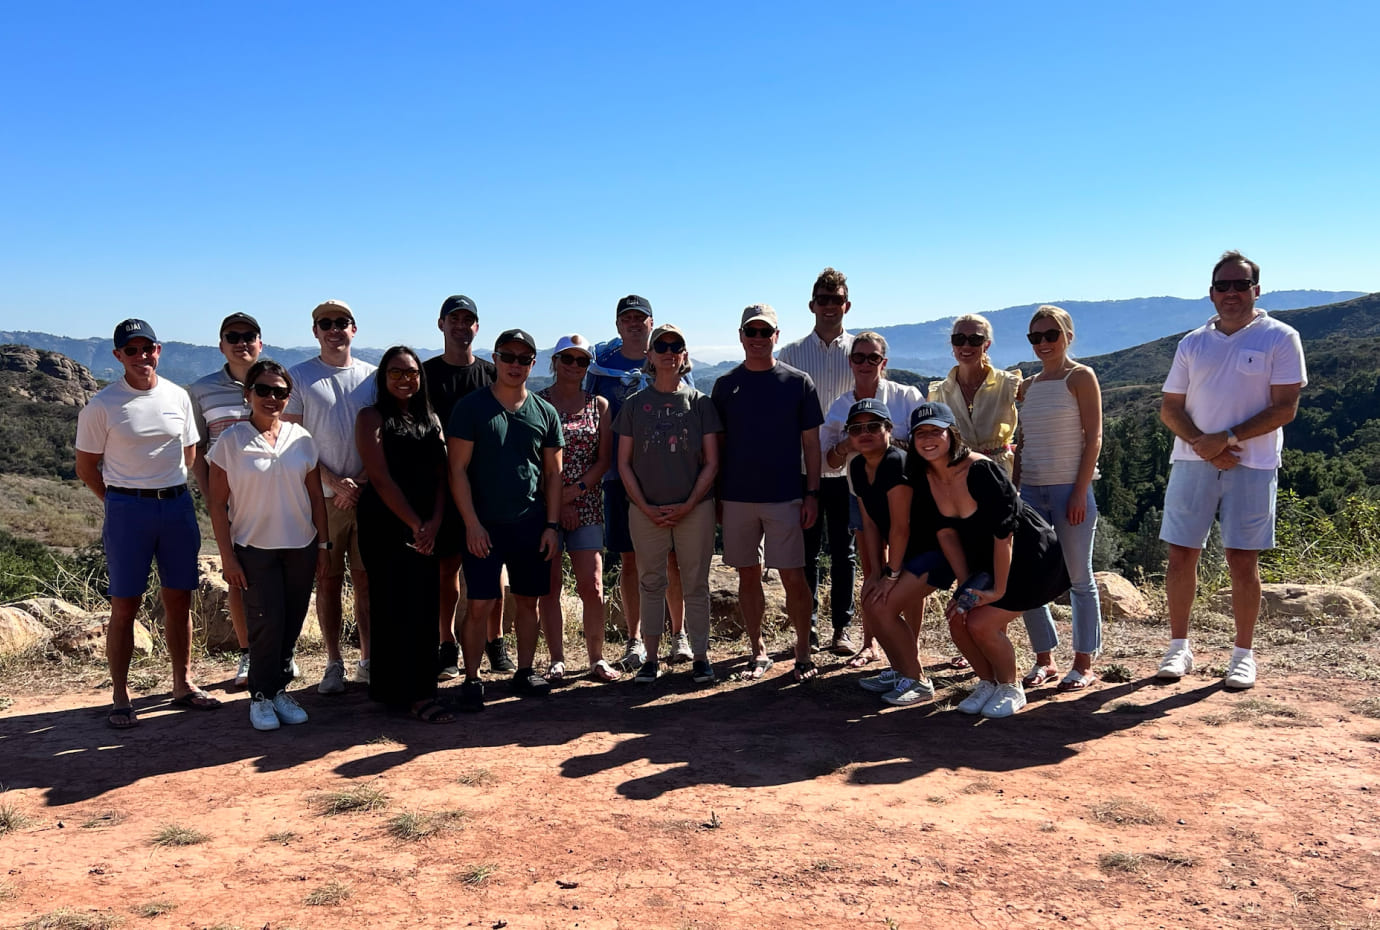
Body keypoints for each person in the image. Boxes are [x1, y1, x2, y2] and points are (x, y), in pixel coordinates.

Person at [1156, 251, 1306, 690]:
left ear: (1256, 290)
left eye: (1241, 285)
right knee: (1181, 554)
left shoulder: (1281, 337)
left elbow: (1286, 407)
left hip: (1253, 464)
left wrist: (1228, 439)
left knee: (1243, 560)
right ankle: (1178, 647)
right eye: (1223, 286)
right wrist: (1207, 447)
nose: (1231, 293)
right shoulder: (1192, 342)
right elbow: (1170, 408)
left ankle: (1243, 654)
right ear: (1211, 293)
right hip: (1192, 461)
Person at [74, 318, 221, 729]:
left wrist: (161, 489)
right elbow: (86, 467)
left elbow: (189, 452)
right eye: (132, 350)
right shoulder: (102, 405)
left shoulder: (177, 395)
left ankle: (183, 683)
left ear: (159, 350)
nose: (142, 357)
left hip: (175, 506)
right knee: (125, 605)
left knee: (180, 598)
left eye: (148, 348)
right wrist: (119, 500)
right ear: (118, 355)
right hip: (128, 510)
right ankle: (121, 695)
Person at [906, 402, 1071, 718]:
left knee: (981, 623)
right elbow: (946, 535)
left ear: (951, 434)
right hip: (987, 561)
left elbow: (1004, 535)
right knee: (957, 616)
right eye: (920, 433)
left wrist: (995, 591)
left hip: (1030, 560)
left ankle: (1011, 687)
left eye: (935, 431)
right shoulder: (923, 478)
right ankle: (989, 682)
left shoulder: (981, 471)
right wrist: (965, 584)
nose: (928, 439)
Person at [207, 359, 329, 731]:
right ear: (248, 395)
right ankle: (260, 697)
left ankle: (278, 691)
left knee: (291, 622)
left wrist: (323, 546)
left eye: (279, 392)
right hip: (254, 547)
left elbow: (316, 498)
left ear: (288, 397)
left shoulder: (301, 439)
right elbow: (216, 503)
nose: (271, 397)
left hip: (300, 546)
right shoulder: (230, 441)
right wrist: (227, 556)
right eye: (263, 390)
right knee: (265, 622)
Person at [447, 328, 564, 711]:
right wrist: (471, 523)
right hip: (484, 524)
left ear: (533, 363)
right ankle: (471, 677)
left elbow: (553, 476)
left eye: (523, 358)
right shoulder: (471, 408)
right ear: (494, 359)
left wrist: (552, 525)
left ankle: (526, 670)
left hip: (530, 523)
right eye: (507, 356)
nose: (515, 365)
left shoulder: (545, 413)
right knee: (480, 602)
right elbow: (457, 470)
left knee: (528, 600)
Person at [711, 304, 823, 683]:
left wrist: (812, 493)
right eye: (751, 332)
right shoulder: (725, 385)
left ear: (776, 336)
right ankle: (757, 650)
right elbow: (719, 448)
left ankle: (803, 651)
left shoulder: (798, 382)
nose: (758, 339)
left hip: (785, 495)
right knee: (747, 576)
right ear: (741, 336)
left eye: (765, 332)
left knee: (793, 576)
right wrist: (717, 498)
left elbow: (812, 445)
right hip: (737, 496)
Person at [587, 295, 692, 669]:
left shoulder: (670, 356)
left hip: (667, 475)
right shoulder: (601, 365)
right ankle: (635, 641)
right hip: (619, 475)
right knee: (629, 558)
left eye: (640, 318)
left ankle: (679, 636)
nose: (633, 324)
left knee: (672, 559)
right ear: (618, 325)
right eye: (626, 318)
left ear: (651, 323)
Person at [615, 324, 723, 685]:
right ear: (649, 355)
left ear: (685, 356)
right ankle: (650, 658)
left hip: (695, 509)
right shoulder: (633, 406)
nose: (668, 351)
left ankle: (701, 657)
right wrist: (643, 506)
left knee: (695, 584)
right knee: (651, 582)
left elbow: (711, 461)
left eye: (676, 346)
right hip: (646, 510)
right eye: (660, 345)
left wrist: (690, 503)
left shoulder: (700, 403)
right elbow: (623, 463)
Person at [356, 347, 454, 722]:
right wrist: (416, 524)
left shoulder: (430, 418)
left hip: (429, 523)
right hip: (386, 524)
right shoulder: (371, 417)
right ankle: (398, 691)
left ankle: (419, 688)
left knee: (424, 606)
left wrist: (435, 522)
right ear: (383, 377)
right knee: (392, 604)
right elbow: (379, 478)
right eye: (395, 372)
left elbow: (442, 475)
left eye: (411, 372)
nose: (404, 378)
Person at [285, 300, 376, 694]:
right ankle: (333, 661)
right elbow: (293, 440)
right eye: (326, 323)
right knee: (328, 580)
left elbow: (383, 439)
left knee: (367, 581)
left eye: (342, 322)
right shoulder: (300, 377)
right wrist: (335, 482)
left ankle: (369, 661)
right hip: (322, 499)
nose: (334, 329)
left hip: (368, 497)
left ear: (354, 329)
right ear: (315, 331)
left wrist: (358, 481)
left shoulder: (372, 378)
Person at [1014, 306, 1105, 692]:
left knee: (1080, 579)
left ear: (1068, 335)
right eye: (1035, 337)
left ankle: (1083, 663)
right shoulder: (1028, 386)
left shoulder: (1080, 377)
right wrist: (1015, 491)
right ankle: (1045, 661)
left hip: (1070, 488)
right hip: (1031, 491)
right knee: (1029, 578)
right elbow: (1022, 444)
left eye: (1051, 335)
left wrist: (1081, 490)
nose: (1043, 343)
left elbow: (1094, 437)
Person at [819, 332, 924, 666]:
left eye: (873, 358)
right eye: (859, 357)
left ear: (884, 362)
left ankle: (911, 646)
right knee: (872, 571)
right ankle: (870, 643)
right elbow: (828, 463)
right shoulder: (839, 406)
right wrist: (847, 445)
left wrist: (883, 445)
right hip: (859, 495)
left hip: (907, 496)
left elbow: (929, 444)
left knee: (909, 572)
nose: (865, 364)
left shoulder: (907, 396)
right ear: (850, 362)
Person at [422, 295, 509, 680]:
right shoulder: (423, 375)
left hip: (487, 488)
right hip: (439, 486)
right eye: (453, 319)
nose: (461, 326)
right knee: (446, 571)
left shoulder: (492, 374)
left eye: (468, 320)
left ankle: (496, 641)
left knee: (495, 573)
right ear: (441, 324)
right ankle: (446, 645)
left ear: (477, 327)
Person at [847, 399, 953, 707]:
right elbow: (869, 524)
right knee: (872, 600)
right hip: (907, 554)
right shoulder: (856, 466)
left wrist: (890, 576)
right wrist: (874, 573)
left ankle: (918, 680)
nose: (864, 433)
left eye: (873, 426)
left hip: (935, 552)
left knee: (883, 604)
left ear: (889, 430)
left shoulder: (897, 462)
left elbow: (900, 527)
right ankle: (900, 671)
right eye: (856, 428)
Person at [779, 267, 858, 655]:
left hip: (848, 470)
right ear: (812, 305)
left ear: (847, 305)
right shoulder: (791, 353)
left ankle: (842, 627)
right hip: (801, 468)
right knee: (805, 551)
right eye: (823, 300)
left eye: (836, 300)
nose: (830, 307)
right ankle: (806, 627)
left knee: (844, 551)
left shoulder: (861, 351)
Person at [188, 312, 264, 688]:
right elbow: (198, 449)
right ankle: (249, 654)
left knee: (282, 575)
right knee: (237, 576)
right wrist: (211, 497)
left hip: (277, 496)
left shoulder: (277, 382)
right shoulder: (200, 391)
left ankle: (281, 654)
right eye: (233, 336)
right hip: (231, 500)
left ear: (260, 343)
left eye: (249, 335)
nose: (241, 342)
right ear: (221, 345)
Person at [536, 334, 617, 683]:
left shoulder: (599, 406)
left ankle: (596, 658)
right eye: (567, 359)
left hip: (585, 506)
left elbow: (604, 459)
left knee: (593, 585)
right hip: (544, 507)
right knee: (549, 587)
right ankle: (557, 659)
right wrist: (558, 499)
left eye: (581, 361)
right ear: (554, 362)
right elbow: (531, 460)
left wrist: (574, 492)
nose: (573, 366)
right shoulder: (536, 404)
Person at [929, 313, 1020, 474]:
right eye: (959, 339)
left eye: (975, 339)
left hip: (1000, 473)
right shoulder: (938, 393)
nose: (966, 346)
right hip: (957, 476)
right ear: (952, 343)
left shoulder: (1009, 384)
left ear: (987, 345)